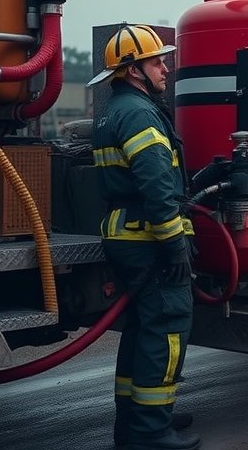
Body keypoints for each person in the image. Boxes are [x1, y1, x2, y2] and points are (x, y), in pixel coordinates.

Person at [88, 24, 200, 450]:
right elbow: (154, 182)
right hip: (149, 240)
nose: (165, 67)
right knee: (166, 331)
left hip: (128, 236)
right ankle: (152, 432)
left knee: (140, 333)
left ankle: (135, 424)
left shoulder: (115, 109)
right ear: (133, 70)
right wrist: (174, 242)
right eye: (157, 61)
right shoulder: (138, 112)